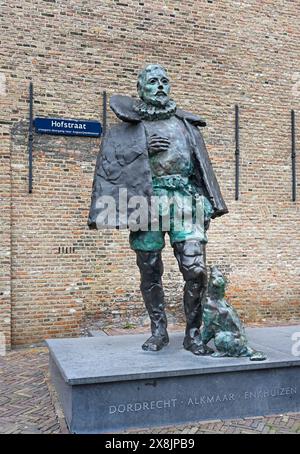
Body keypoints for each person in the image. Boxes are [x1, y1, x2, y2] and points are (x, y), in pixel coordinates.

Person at [88, 64, 228, 355]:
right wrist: (143, 147)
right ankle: (158, 331)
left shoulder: (186, 125)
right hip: (146, 200)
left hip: (184, 200)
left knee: (196, 270)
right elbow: (109, 165)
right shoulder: (128, 130)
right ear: (140, 90)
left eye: (165, 80)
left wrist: (205, 199)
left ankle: (193, 333)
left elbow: (201, 168)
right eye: (153, 81)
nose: (160, 86)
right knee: (149, 268)